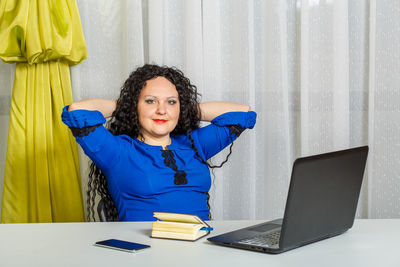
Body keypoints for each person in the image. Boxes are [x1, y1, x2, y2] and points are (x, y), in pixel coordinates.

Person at [61, 64, 256, 222]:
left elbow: (243, 114)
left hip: (201, 250)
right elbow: (77, 111)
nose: (162, 110)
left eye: (171, 102)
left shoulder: (195, 144)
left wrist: (185, 108)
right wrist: (127, 105)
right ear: (135, 106)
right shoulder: (117, 152)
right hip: (147, 253)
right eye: (150, 101)